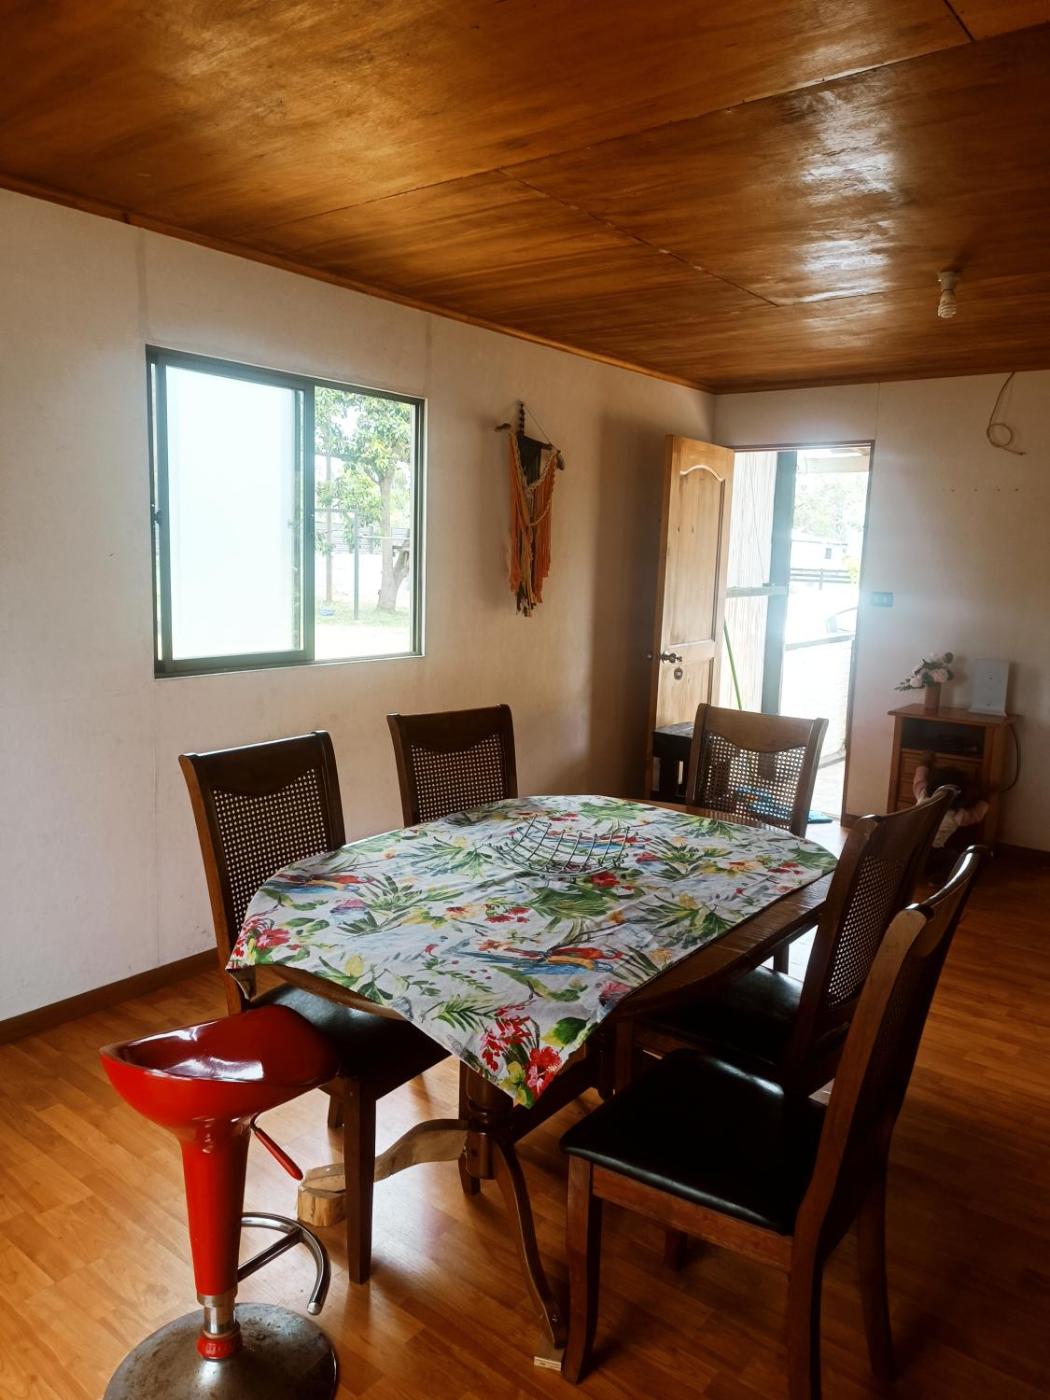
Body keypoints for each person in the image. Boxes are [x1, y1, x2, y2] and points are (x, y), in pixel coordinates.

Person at [914, 751, 989, 853]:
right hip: (932, 852)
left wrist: (925, 762)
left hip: (910, 845)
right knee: (955, 855)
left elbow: (919, 780)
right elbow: (976, 814)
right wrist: (985, 796)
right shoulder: (957, 815)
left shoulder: (923, 798)